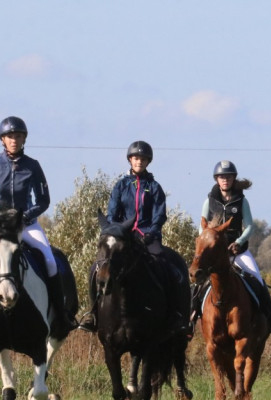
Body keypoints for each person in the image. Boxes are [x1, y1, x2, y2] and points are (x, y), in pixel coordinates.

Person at [0, 116, 70, 341]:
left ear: (24, 139)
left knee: (49, 262)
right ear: (2, 140)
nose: (14, 140)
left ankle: (60, 316)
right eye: (10, 137)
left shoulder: (32, 165)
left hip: (25, 225)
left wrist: (27, 215)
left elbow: (44, 200)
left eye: (18, 136)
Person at [78, 141, 189, 333]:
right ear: (130, 160)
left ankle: (176, 316)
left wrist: (151, 234)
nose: (139, 161)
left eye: (143, 158)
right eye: (136, 158)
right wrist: (117, 231)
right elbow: (112, 214)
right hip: (123, 237)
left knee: (169, 268)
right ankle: (93, 314)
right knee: (96, 268)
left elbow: (159, 215)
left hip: (148, 237)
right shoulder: (121, 186)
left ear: (148, 162)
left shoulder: (154, 187)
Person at [191, 160, 271, 334]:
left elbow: (249, 226)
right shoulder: (209, 201)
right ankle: (191, 318)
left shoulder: (241, 201)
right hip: (214, 253)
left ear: (233, 179)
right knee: (198, 282)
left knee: (257, 279)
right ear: (216, 179)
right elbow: (201, 227)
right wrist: (206, 239)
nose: (225, 179)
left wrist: (239, 242)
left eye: (228, 176)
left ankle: (270, 319)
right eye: (221, 177)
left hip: (236, 251)